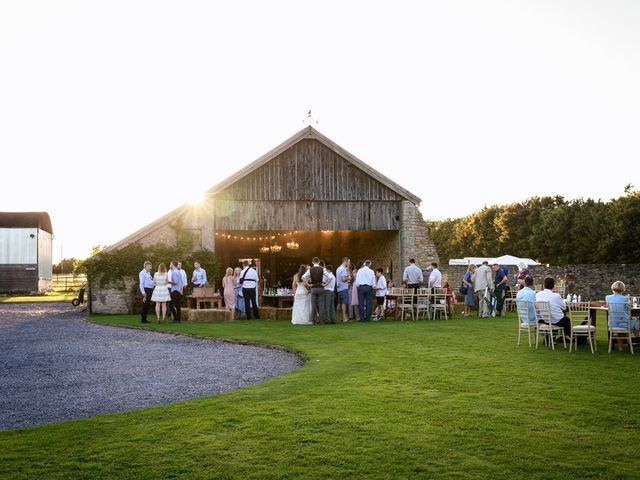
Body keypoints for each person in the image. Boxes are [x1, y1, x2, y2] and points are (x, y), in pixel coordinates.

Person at [302, 257, 329, 324]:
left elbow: (303, 277)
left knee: (313, 305)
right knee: (321, 305)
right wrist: (325, 284)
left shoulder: (310, 269)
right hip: (320, 287)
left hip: (313, 288)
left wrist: (308, 284)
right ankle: (322, 321)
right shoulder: (323, 269)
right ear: (319, 262)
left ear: (312, 262)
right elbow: (330, 277)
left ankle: (313, 320)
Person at [335, 257, 351, 322]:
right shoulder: (343, 269)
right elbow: (343, 279)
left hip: (339, 288)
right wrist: (349, 277)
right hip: (343, 288)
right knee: (344, 303)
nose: (349, 263)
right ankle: (344, 318)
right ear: (346, 261)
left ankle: (337, 317)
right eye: (349, 262)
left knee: (339, 303)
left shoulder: (338, 268)